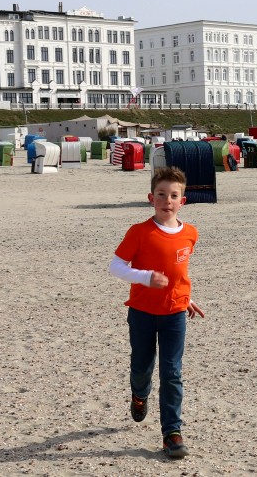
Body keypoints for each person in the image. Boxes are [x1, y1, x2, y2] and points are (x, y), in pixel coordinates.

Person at [108, 167, 207, 459]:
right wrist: (145, 278)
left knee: (173, 373)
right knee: (141, 367)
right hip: (141, 313)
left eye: (173, 196)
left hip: (175, 314)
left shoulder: (190, 233)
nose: (167, 200)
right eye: (161, 195)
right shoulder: (139, 232)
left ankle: (172, 433)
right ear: (151, 198)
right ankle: (139, 395)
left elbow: (179, 273)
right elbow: (115, 267)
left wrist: (185, 298)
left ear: (183, 201)